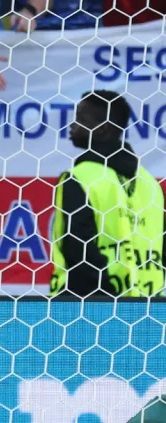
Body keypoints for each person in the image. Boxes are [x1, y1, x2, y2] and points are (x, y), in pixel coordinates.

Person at [49, 90, 164, 298]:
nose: (72, 126)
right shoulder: (150, 183)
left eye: (81, 119)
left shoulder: (81, 177)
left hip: (89, 307)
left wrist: (107, 302)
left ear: (103, 128)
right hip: (148, 305)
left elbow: (78, 249)